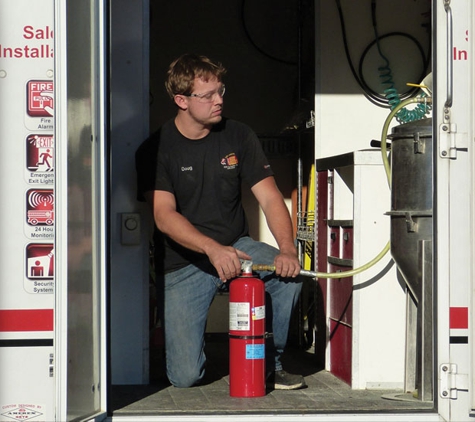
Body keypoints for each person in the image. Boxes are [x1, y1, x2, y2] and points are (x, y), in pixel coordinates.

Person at [136, 53, 305, 390]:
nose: (219, 100)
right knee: (185, 378)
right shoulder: (155, 149)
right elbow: (163, 215)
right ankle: (213, 356)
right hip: (183, 262)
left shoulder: (238, 135)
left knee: (288, 276)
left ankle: (270, 360)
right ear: (181, 100)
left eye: (221, 91)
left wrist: (287, 249)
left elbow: (271, 197)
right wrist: (212, 249)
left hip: (238, 248)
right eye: (208, 95)